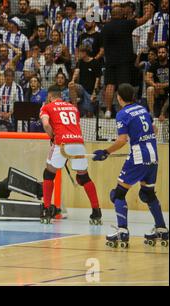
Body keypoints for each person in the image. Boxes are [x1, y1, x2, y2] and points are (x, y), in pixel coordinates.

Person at [92, 83, 168, 248]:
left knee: (118, 194)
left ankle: (122, 231)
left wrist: (106, 151)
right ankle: (162, 229)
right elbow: (153, 130)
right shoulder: (142, 109)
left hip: (138, 157)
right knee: (148, 194)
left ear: (119, 98)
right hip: (153, 156)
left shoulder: (122, 114)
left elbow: (122, 140)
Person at [39, 85, 101, 224]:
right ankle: (96, 212)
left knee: (49, 174)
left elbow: (46, 125)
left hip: (61, 143)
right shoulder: (73, 108)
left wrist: (52, 137)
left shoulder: (47, 107)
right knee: (84, 177)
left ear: (50, 96)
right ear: (61, 95)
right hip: (78, 142)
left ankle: (47, 210)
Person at [101, 3, 154, 118]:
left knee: (110, 85)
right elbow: (143, 20)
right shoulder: (126, 24)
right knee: (123, 86)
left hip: (109, 61)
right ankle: (122, 111)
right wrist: (149, 11)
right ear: (120, 14)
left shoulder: (105, 28)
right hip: (124, 61)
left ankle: (108, 111)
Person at [69, 46, 102, 117]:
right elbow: (76, 71)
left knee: (89, 115)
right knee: (71, 85)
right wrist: (72, 80)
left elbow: (97, 79)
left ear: (84, 53)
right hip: (82, 89)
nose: (77, 54)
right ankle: (75, 108)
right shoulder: (80, 62)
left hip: (91, 91)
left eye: (79, 53)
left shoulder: (95, 63)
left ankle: (94, 109)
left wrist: (94, 92)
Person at [146, 46, 169, 118]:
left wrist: (164, 85)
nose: (161, 54)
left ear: (167, 54)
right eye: (159, 52)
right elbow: (147, 78)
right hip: (158, 90)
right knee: (150, 89)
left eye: (163, 52)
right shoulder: (154, 65)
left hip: (167, 89)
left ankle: (163, 113)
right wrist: (155, 85)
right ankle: (151, 114)